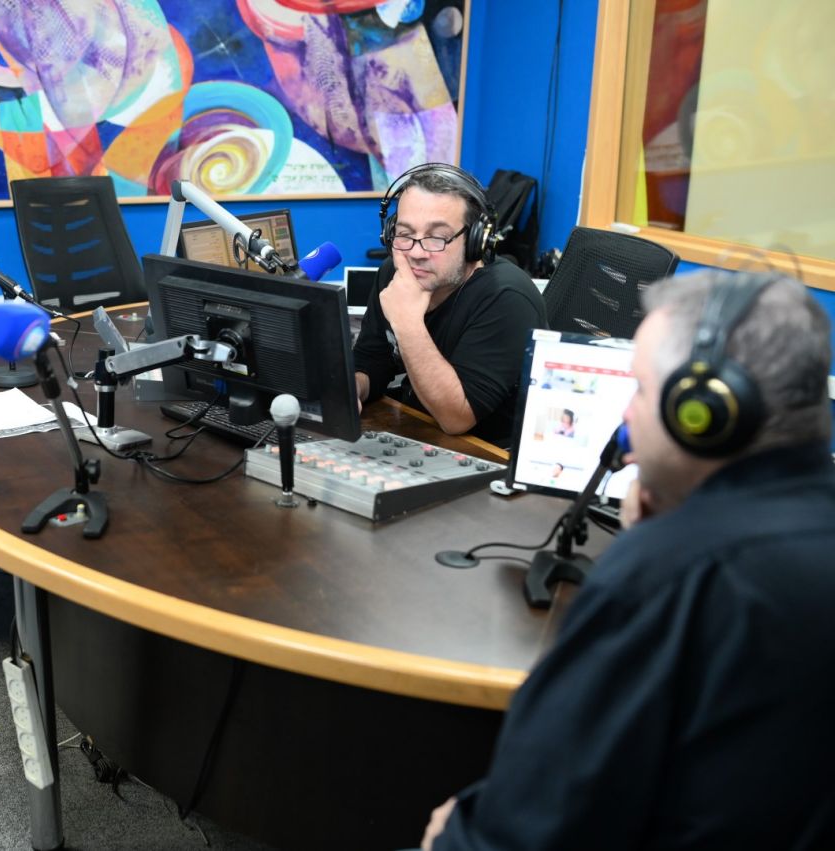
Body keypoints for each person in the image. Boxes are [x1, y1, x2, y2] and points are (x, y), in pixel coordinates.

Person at [421, 270, 835, 850]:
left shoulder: (665, 575)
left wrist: (450, 836)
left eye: (639, 389)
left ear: (703, 413)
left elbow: (526, 828)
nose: (626, 417)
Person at [353, 164, 546, 447]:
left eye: (437, 238)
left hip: (487, 452)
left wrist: (407, 322)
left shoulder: (507, 297)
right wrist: (353, 387)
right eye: (405, 234)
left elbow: (456, 418)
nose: (416, 252)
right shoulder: (394, 274)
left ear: (476, 240)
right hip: (417, 429)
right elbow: (372, 361)